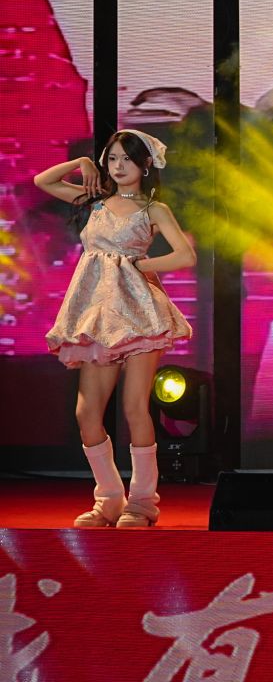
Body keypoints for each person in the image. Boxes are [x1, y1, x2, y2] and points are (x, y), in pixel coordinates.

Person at [37, 130, 197, 528]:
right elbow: (44, 181)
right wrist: (81, 163)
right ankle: (108, 499)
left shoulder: (153, 209)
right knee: (87, 412)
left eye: (127, 158)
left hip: (141, 314)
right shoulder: (92, 201)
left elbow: (185, 255)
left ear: (146, 164)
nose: (118, 166)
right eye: (112, 159)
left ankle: (142, 503)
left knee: (134, 407)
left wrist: (141, 265)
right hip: (97, 316)